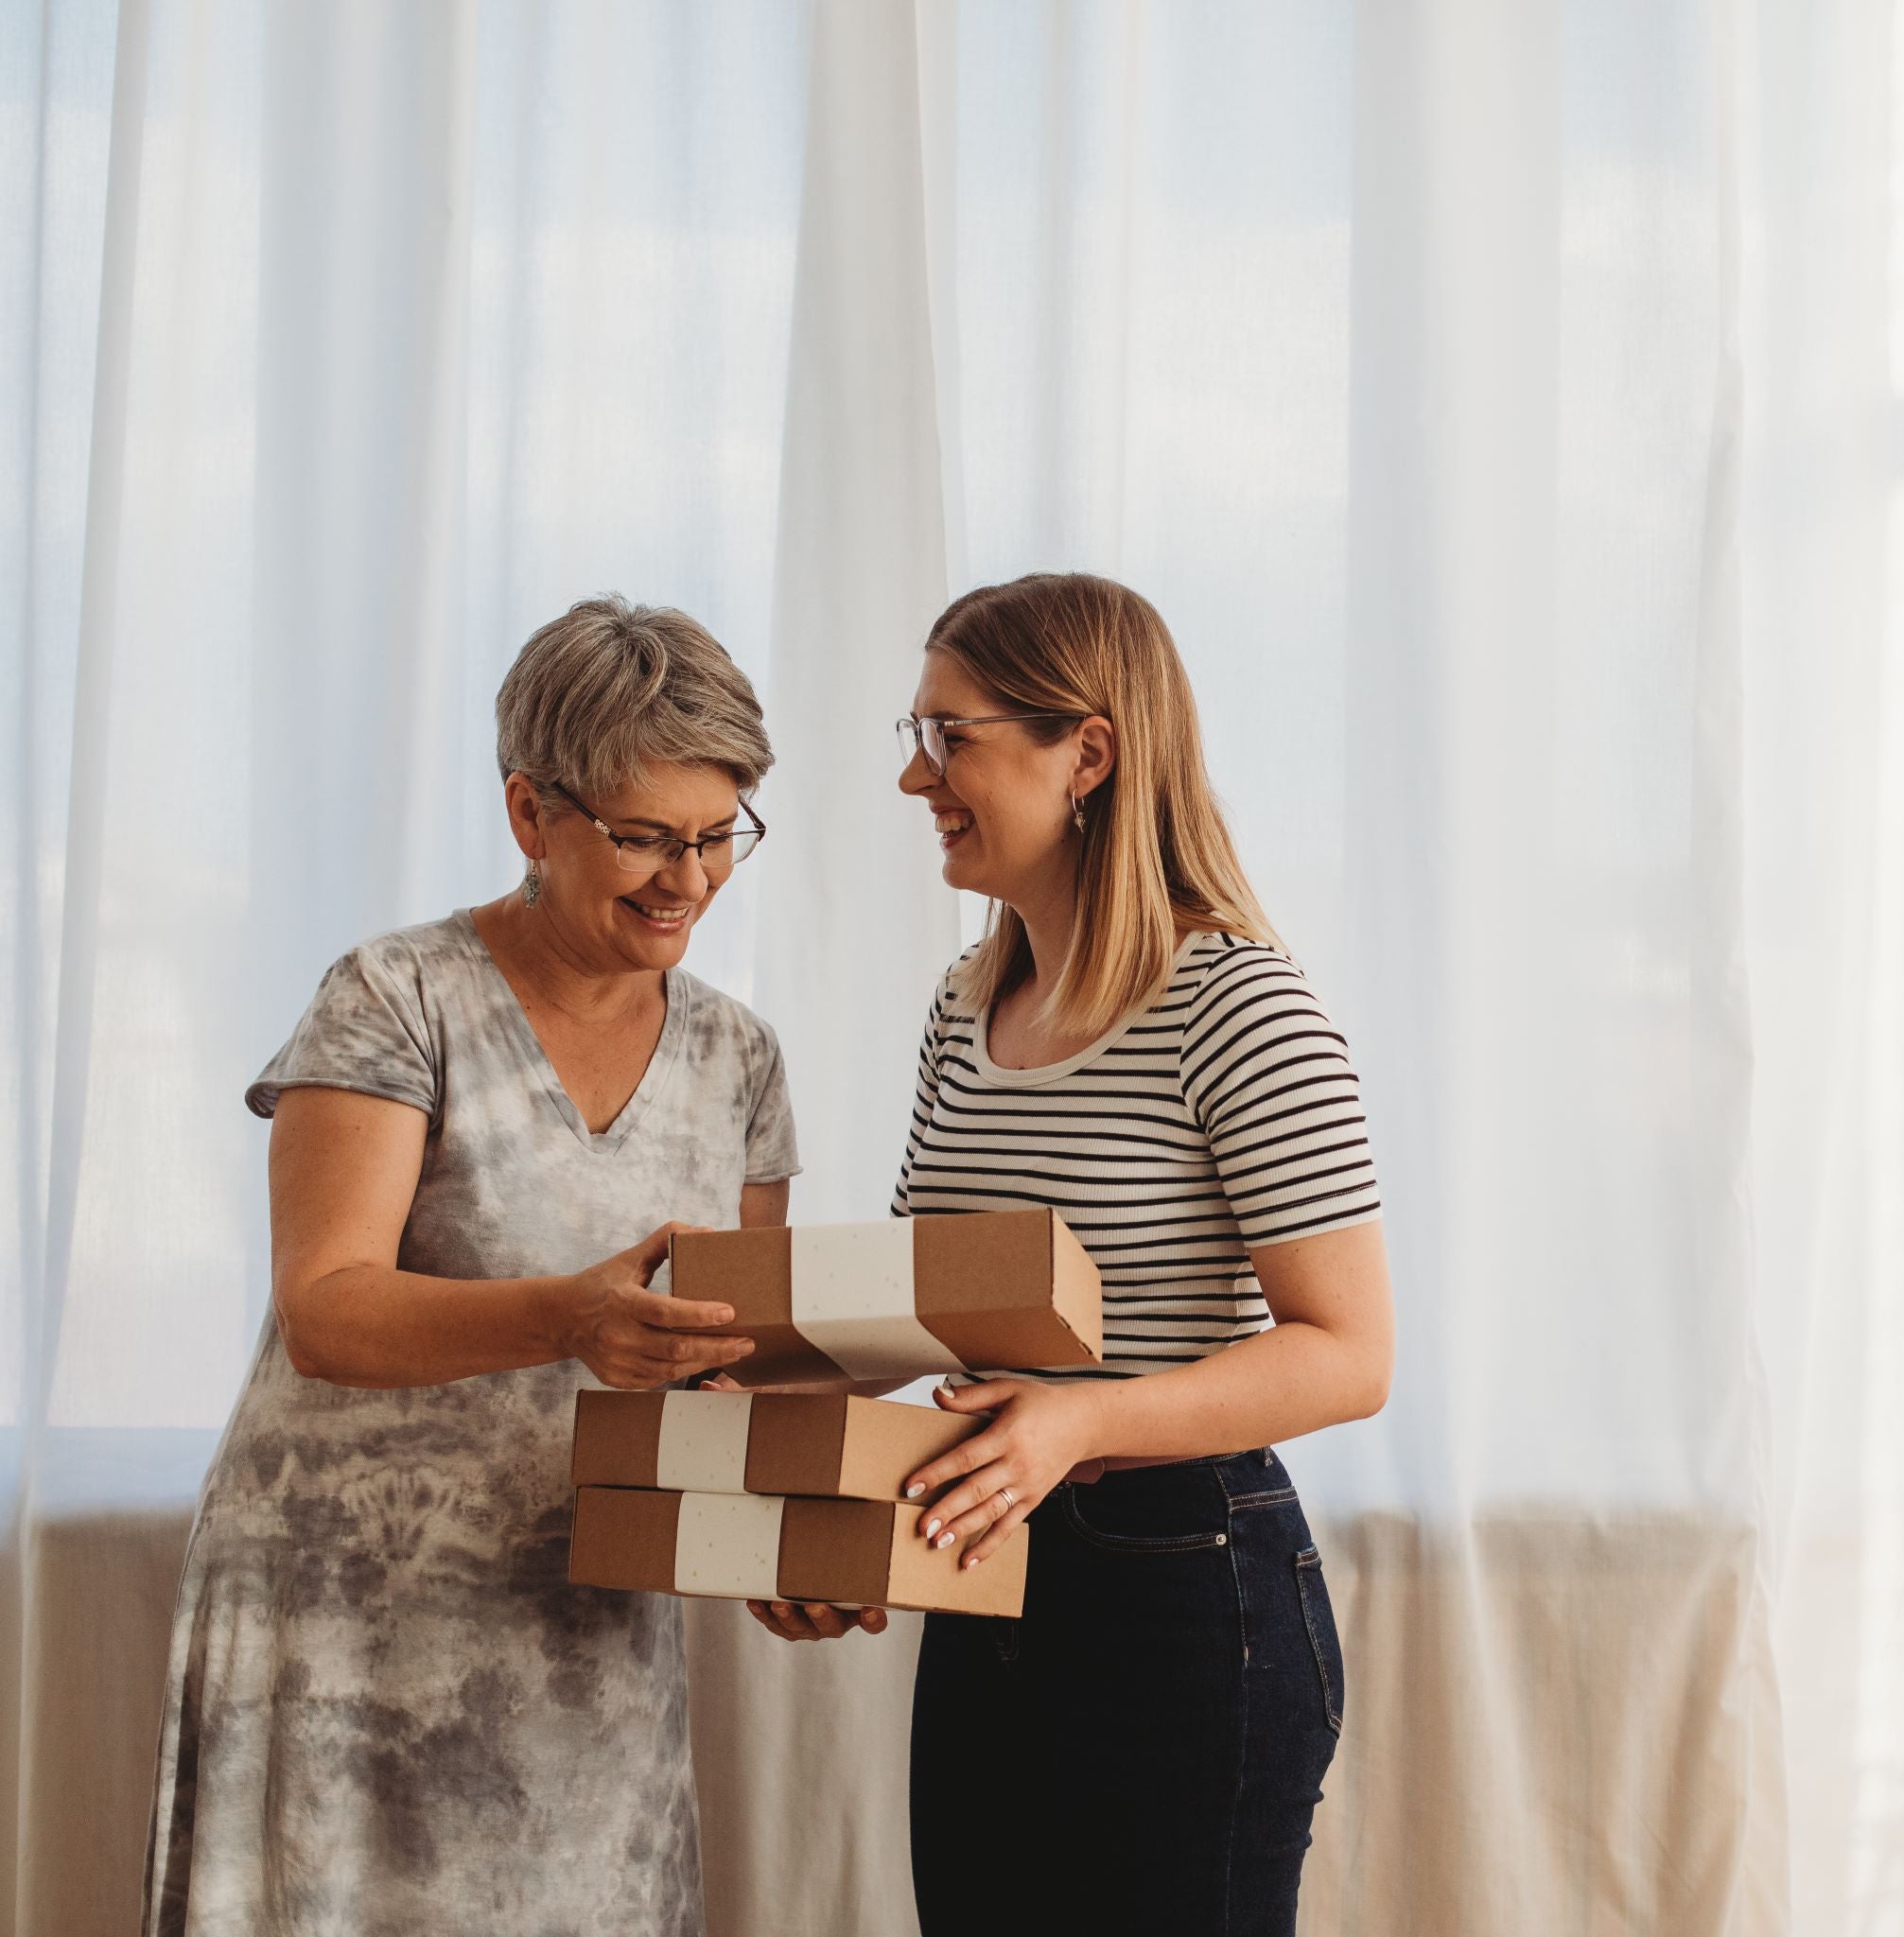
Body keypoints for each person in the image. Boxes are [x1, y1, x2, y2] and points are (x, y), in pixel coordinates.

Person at [748, 571, 1394, 1937]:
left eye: (950, 736)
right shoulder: (966, 1003)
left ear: (1087, 753)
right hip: (983, 1569)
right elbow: (927, 1316)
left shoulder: (1240, 1006)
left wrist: (1079, 1421)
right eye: (915, 735)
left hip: (1188, 1588)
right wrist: (799, 1497)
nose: (915, 777)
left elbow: (1349, 1356)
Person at [142, 596, 795, 1937]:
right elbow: (327, 1310)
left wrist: (791, 1544)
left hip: (583, 1633)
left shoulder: (741, 1059)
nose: (687, 879)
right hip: (341, 1630)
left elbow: (729, 1373)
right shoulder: (394, 996)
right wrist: (572, 1319)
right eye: (644, 836)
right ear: (529, 814)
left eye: (718, 834)